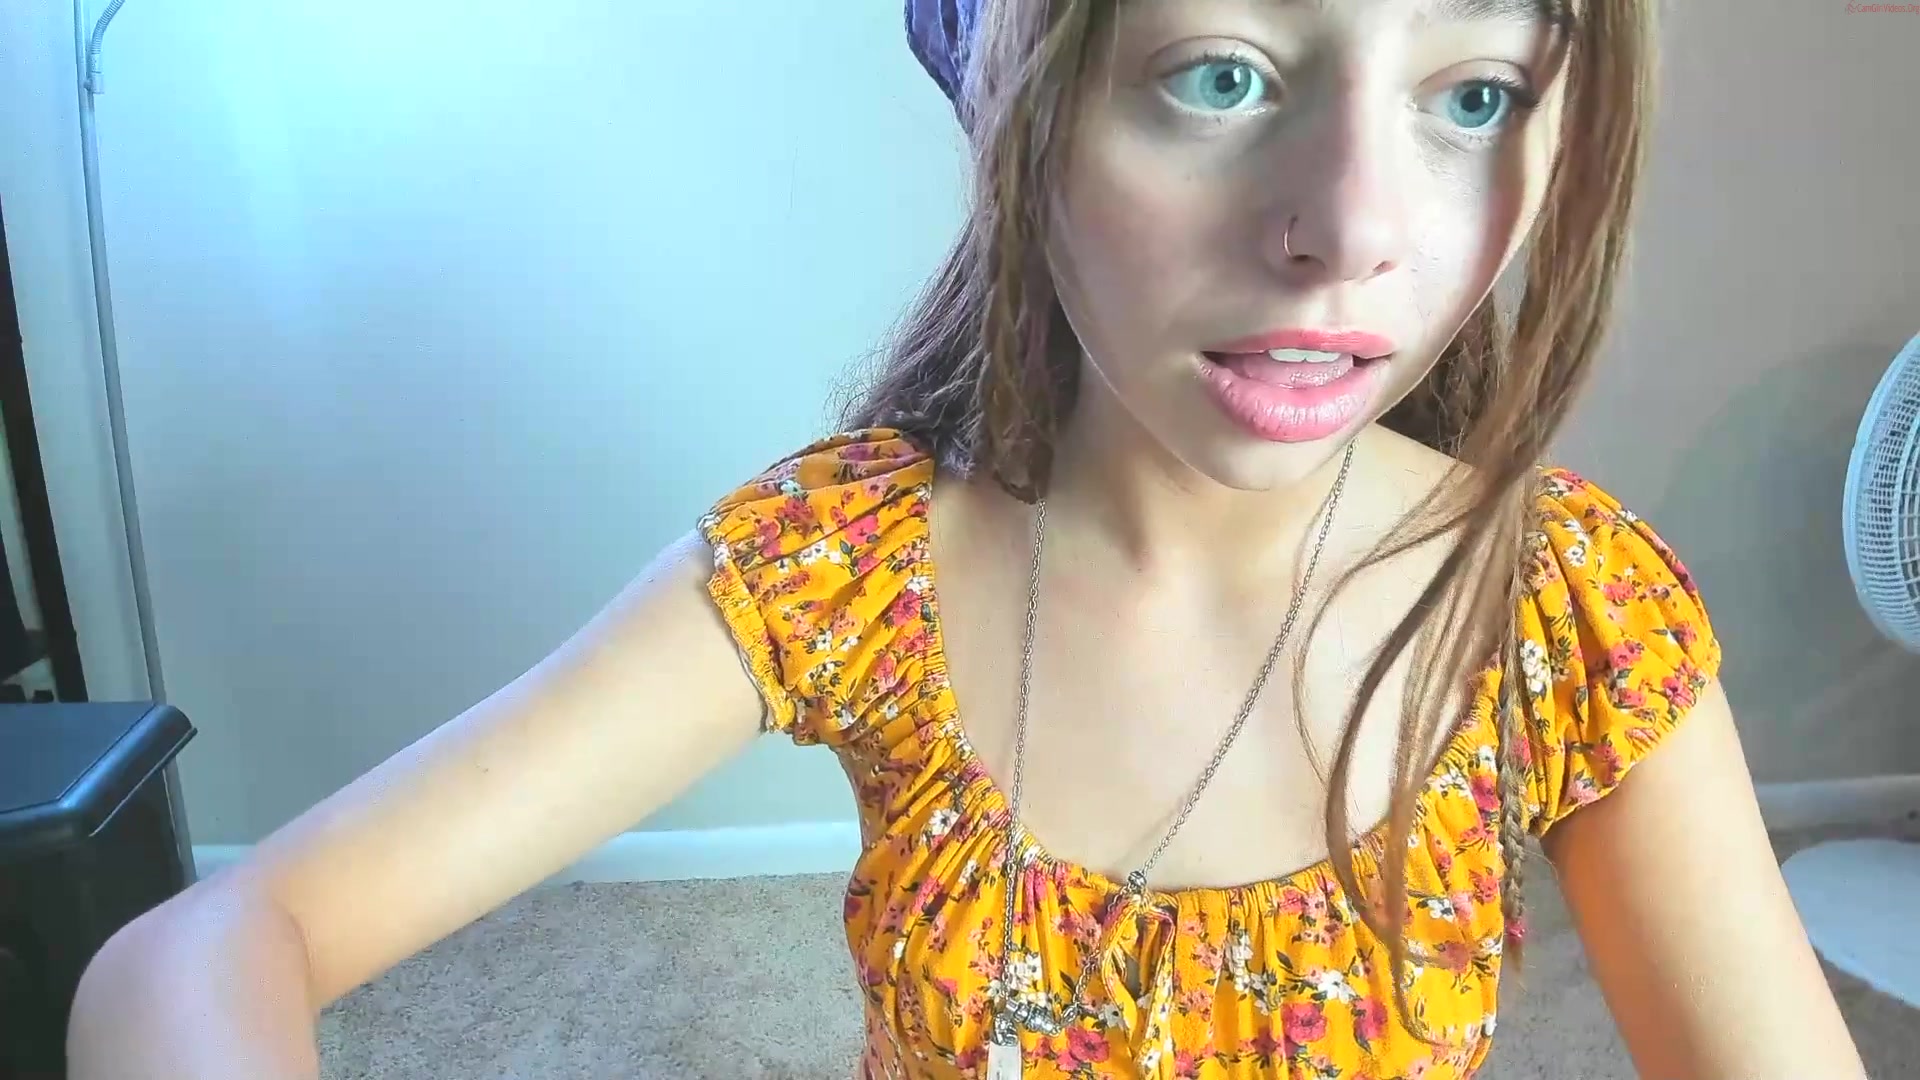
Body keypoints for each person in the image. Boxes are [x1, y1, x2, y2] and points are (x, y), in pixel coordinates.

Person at [67, 1, 1867, 1077]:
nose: (1354, 228)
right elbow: (211, 945)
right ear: (1017, 100)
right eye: (1221, 73)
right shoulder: (853, 567)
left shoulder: (1560, 612)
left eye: (1474, 95)